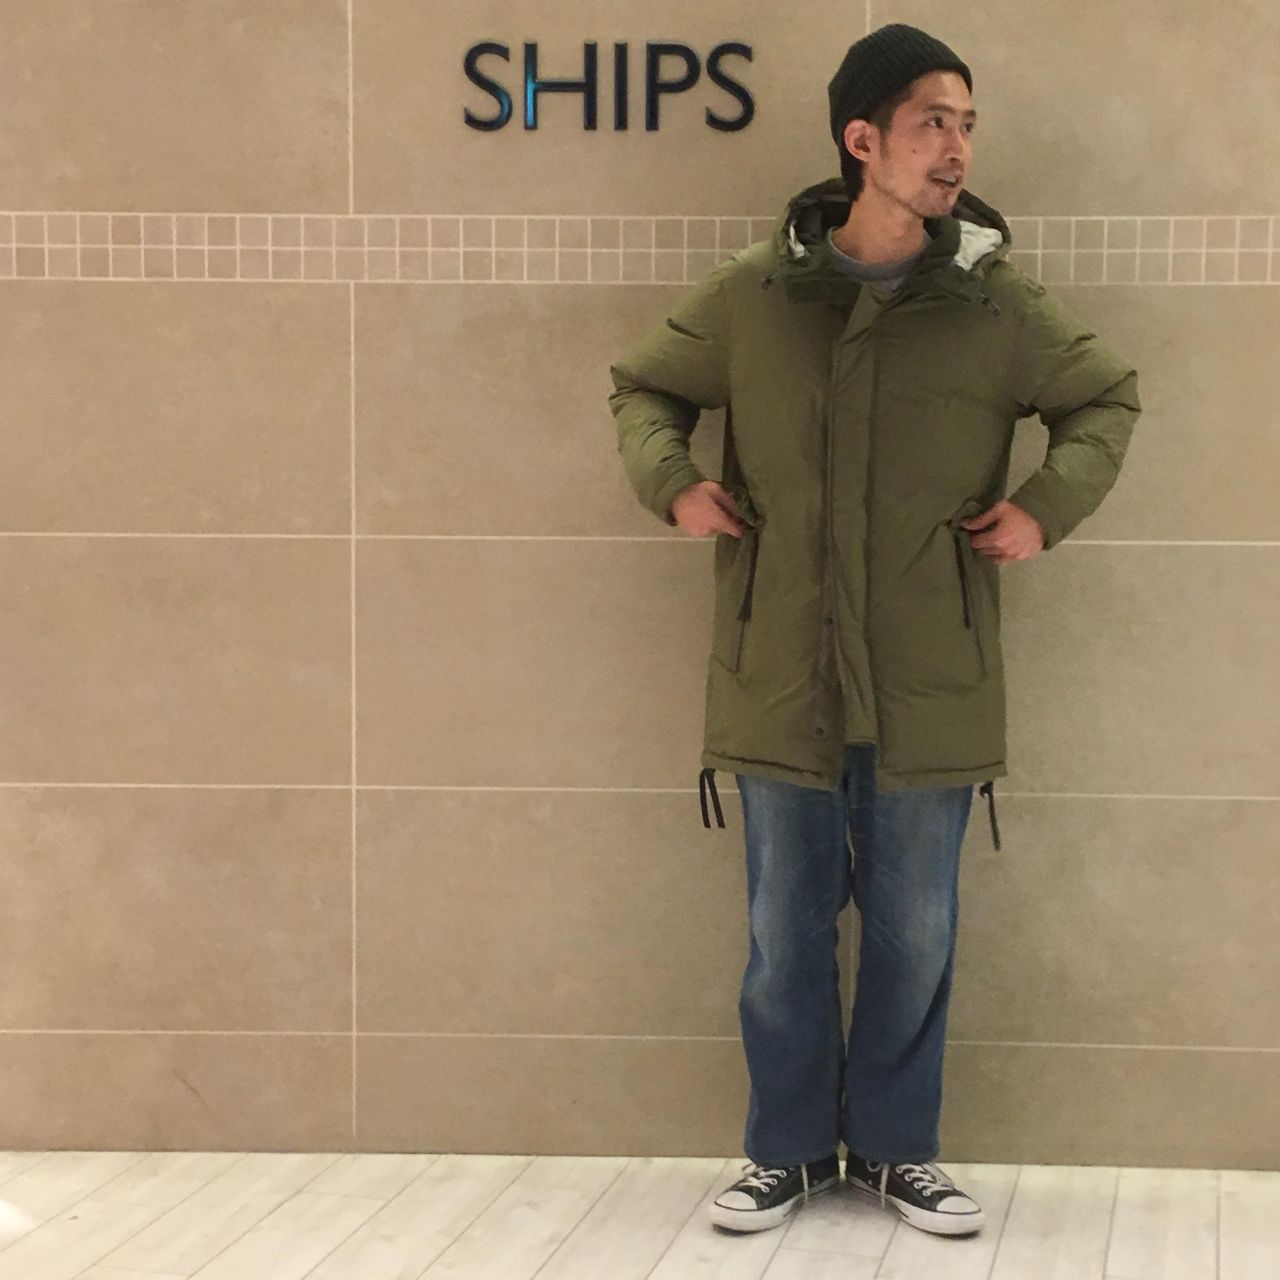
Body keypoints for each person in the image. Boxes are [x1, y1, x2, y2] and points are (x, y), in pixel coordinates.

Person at [606, 23, 1142, 1238]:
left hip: (927, 674)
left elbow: (1104, 395)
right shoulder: (755, 295)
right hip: (779, 672)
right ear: (862, 140)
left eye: (965, 125)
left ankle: (899, 1150)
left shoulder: (993, 304)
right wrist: (671, 483)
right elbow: (645, 385)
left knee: (915, 935)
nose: (955, 149)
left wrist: (1044, 508)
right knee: (780, 938)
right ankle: (787, 1152)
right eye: (930, 123)